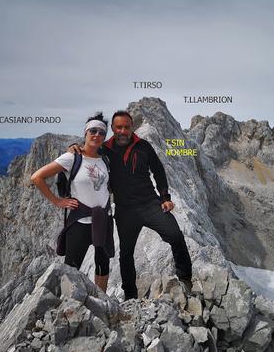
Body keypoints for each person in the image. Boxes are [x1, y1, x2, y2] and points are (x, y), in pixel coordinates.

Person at [70, 110, 192, 300]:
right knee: (126, 254)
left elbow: (158, 170)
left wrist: (165, 197)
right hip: (125, 211)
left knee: (175, 235)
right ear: (112, 129)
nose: (123, 131)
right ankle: (130, 296)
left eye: (127, 127)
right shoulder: (105, 149)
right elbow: (88, 153)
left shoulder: (143, 146)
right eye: (118, 127)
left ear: (132, 128)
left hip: (150, 204)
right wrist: (74, 147)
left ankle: (185, 280)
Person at [31, 113, 112, 292]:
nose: (97, 135)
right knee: (71, 268)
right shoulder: (72, 158)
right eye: (93, 130)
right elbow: (37, 177)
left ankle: (102, 301)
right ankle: (68, 305)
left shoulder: (106, 159)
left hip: (103, 219)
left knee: (103, 265)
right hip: (80, 221)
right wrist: (58, 201)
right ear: (85, 132)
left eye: (101, 132)